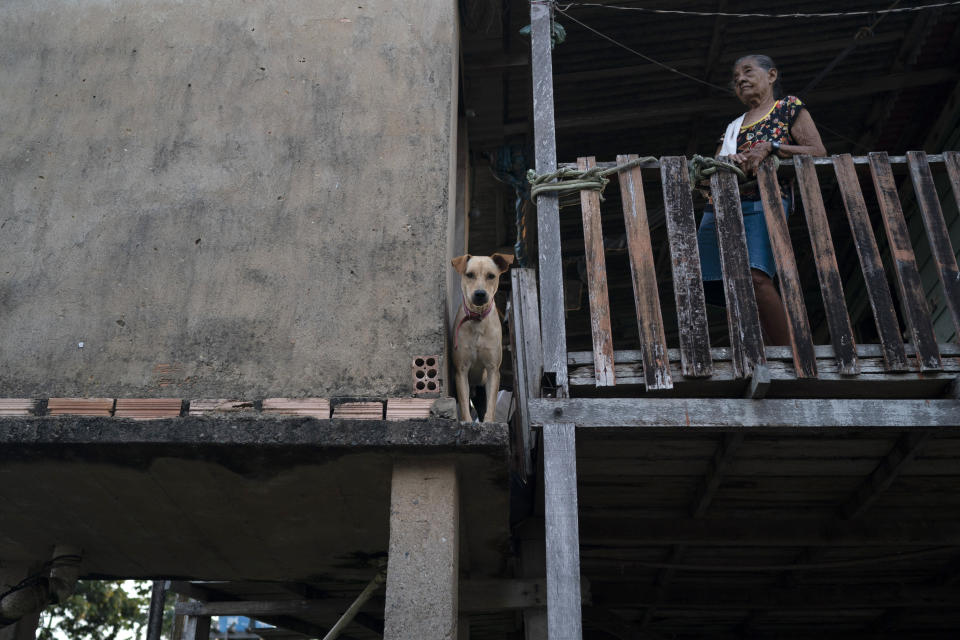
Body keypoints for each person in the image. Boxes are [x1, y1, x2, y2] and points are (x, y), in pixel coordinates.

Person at [696, 54, 826, 346]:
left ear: (771, 75)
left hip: (764, 200)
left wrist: (773, 146)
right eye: (735, 77)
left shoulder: (787, 107)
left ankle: (790, 352)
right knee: (729, 286)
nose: (739, 79)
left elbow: (817, 152)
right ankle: (759, 353)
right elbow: (710, 170)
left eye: (747, 71)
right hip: (721, 208)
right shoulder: (732, 128)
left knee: (756, 278)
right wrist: (730, 159)